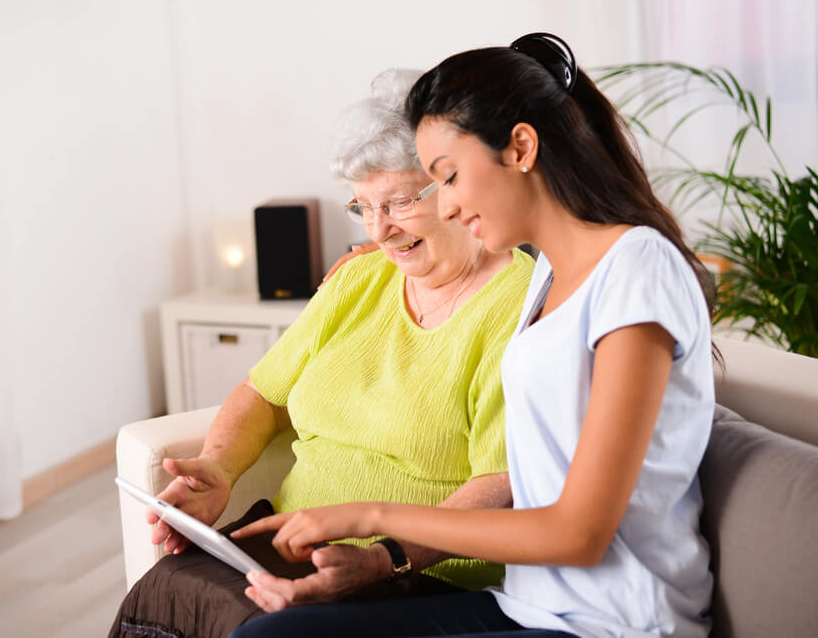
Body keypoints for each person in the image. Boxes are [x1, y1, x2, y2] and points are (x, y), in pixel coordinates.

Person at [227, 33, 717, 638]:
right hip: (525, 603)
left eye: (448, 178)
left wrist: (369, 516)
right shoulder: (549, 276)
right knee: (267, 635)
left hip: (614, 624)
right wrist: (381, 559)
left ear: (521, 147)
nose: (450, 206)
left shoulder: (639, 270)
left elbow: (581, 534)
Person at [107, 68, 535, 638]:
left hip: (421, 574)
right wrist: (218, 467)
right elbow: (265, 392)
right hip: (289, 540)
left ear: (453, 186)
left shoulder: (518, 306)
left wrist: (386, 553)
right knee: (170, 589)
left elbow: (501, 482)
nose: (380, 231)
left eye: (401, 202)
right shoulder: (358, 279)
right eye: (363, 207)